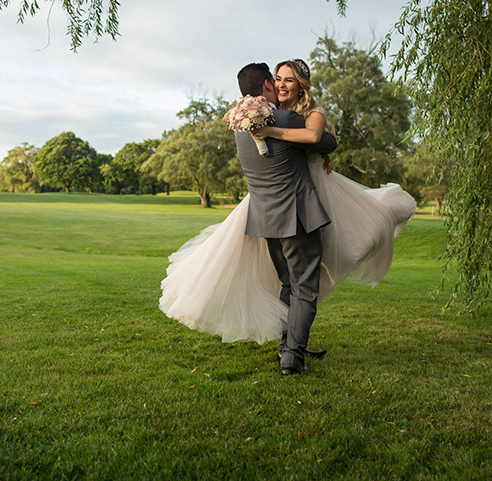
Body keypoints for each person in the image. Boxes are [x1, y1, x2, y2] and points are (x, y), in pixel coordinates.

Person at [159, 59, 415, 374]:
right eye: (276, 80)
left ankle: (288, 347)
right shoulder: (289, 119)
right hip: (297, 215)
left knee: (287, 284)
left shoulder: (240, 128)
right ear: (267, 85)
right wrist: (319, 145)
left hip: (264, 219)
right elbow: (326, 141)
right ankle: (293, 358)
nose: (280, 85)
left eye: (287, 80)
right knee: (305, 288)